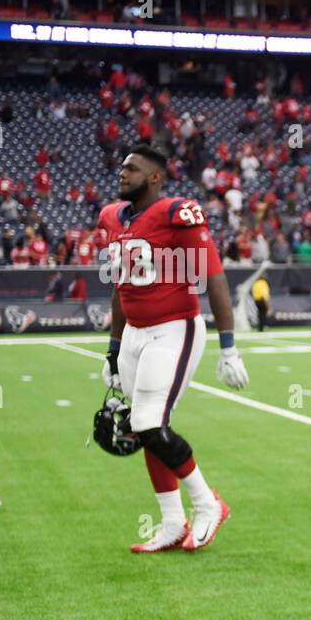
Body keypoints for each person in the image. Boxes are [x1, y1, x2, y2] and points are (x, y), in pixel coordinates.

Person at [98, 144, 249, 553]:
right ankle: (171, 523)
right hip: (134, 333)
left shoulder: (176, 212)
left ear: (155, 177)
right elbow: (119, 285)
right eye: (122, 165)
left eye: (132, 168)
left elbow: (213, 276)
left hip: (173, 329)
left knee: (148, 423)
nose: (122, 173)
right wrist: (112, 349)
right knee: (146, 427)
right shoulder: (111, 216)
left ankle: (207, 505)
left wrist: (228, 347)